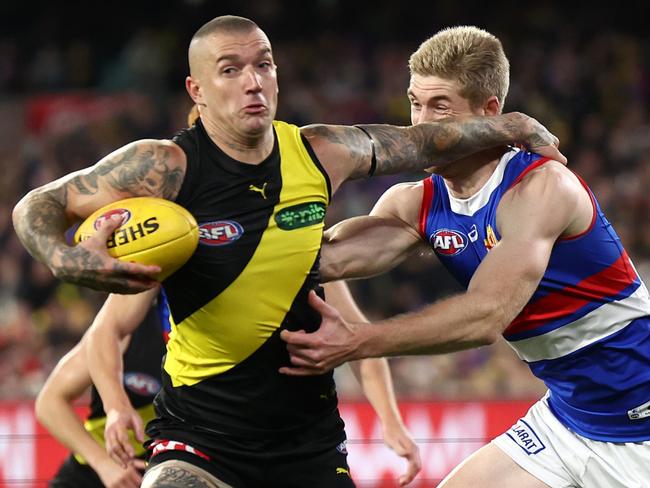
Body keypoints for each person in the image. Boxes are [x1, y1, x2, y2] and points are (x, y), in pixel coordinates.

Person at [12, 15, 563, 488]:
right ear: (196, 90)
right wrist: (68, 260)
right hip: (200, 432)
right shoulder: (163, 168)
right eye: (230, 70)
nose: (253, 81)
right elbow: (38, 206)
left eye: (264, 64)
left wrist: (509, 124)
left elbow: (422, 142)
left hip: (309, 439)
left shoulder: (322, 151)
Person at [280, 26, 650, 488]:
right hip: (567, 420)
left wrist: (359, 339)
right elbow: (321, 258)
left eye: (440, 107)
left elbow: (485, 316)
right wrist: (215, 241)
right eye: (415, 103)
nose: (420, 124)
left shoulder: (540, 188)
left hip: (640, 426)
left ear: (489, 113)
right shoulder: (417, 203)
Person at [36, 288, 165, 488]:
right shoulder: (124, 327)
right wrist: (103, 464)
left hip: (161, 472)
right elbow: (49, 402)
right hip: (91, 475)